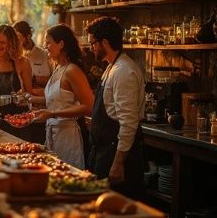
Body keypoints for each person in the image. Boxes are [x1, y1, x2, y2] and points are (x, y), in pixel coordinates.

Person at [86, 16, 145, 198]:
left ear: (105, 42)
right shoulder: (111, 67)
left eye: (93, 43)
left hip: (115, 155)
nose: (91, 48)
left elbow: (128, 123)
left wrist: (118, 163)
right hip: (103, 152)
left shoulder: (124, 71)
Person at [32, 24, 94, 169]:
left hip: (68, 136)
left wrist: (52, 113)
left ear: (61, 44)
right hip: (53, 133)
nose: (45, 46)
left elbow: (89, 107)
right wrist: (30, 99)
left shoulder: (72, 70)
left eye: (48, 42)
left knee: (68, 176)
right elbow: (57, 100)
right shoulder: (58, 67)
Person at [13, 21, 52, 95]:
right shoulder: (13, 59)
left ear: (28, 36)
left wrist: (34, 79)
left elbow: (56, 81)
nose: (16, 41)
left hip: (44, 100)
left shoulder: (46, 55)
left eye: (18, 37)